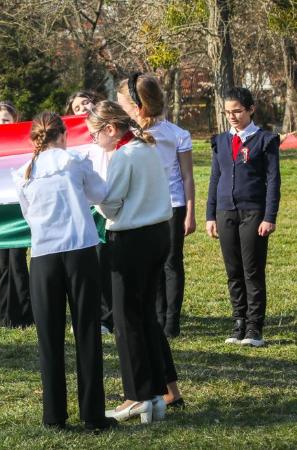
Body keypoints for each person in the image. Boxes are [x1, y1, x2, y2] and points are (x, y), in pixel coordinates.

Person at [13, 111, 115, 431]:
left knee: (49, 338)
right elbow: (101, 195)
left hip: (43, 257)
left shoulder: (24, 172)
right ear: (63, 134)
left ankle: (54, 416)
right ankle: (93, 416)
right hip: (79, 251)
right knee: (86, 332)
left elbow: (28, 215)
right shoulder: (75, 162)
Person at [87, 101, 181, 423]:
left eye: (94, 134)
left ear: (110, 129)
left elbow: (111, 206)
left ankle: (136, 396)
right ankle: (155, 394)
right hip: (158, 234)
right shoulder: (147, 148)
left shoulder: (124, 156)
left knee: (126, 321)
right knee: (145, 316)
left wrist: (92, 198)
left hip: (131, 239)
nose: (94, 141)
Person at [116, 73, 196, 338]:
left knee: (171, 262)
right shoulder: (128, 136)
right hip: (141, 205)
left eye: (124, 105)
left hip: (171, 205)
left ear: (138, 105)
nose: (121, 110)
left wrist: (190, 212)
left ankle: (171, 322)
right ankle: (156, 316)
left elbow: (186, 176)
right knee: (151, 263)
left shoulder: (176, 134)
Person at [206, 87, 280, 348]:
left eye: (237, 110)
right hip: (225, 212)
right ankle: (238, 322)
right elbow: (215, 178)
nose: (232, 116)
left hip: (253, 213)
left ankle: (254, 327)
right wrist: (210, 215)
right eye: (228, 112)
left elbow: (273, 181)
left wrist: (269, 216)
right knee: (233, 270)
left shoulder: (265, 141)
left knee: (252, 270)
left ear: (250, 109)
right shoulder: (221, 142)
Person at [65, 90, 115, 335]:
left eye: (86, 103)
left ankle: (106, 318)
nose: (83, 108)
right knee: (83, 266)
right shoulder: (69, 141)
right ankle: (85, 316)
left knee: (104, 263)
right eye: (76, 107)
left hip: (106, 205)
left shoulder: (108, 132)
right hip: (81, 208)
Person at [0, 101, 33, 328]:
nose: (1, 124)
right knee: (2, 262)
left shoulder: (24, 145)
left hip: (17, 209)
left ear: (15, 121)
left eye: (5, 120)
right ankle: (4, 311)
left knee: (17, 260)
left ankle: (24, 313)